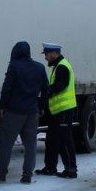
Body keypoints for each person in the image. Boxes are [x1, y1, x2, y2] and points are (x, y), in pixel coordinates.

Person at [0, 41, 49, 183]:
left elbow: (7, 88)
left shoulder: (14, 66)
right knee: (31, 145)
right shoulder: (40, 68)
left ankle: (1, 174)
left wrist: (2, 107)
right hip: (32, 112)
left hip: (14, 112)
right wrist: (41, 107)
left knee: (6, 144)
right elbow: (46, 90)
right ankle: (27, 175)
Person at [36, 43, 78, 179]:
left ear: (54, 53)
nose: (46, 58)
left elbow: (60, 86)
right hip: (57, 111)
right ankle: (50, 167)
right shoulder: (57, 67)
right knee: (52, 139)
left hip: (64, 110)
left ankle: (71, 169)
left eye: (47, 55)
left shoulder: (62, 67)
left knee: (64, 140)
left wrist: (46, 90)